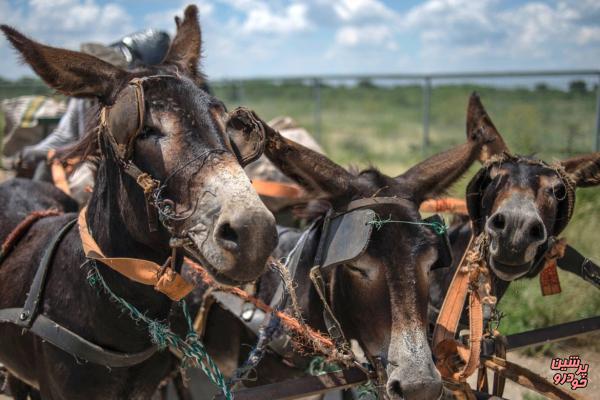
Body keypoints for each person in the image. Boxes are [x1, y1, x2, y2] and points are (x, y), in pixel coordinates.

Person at [15, 29, 171, 204]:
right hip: (79, 158)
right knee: (40, 170)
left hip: (112, 163)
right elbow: (64, 134)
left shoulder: (136, 101)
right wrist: (37, 151)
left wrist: (63, 152)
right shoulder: (82, 97)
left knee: (83, 184)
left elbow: (112, 143)